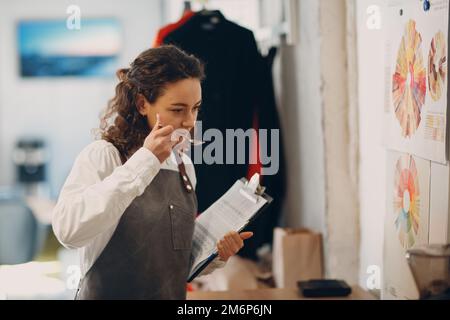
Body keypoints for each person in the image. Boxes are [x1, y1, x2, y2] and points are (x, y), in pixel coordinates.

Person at [52, 45, 253, 299]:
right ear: (142, 104)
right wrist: (146, 161)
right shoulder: (105, 155)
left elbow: (172, 265)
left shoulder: (184, 167)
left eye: (195, 108)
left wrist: (216, 255)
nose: (190, 122)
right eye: (178, 110)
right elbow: (68, 232)